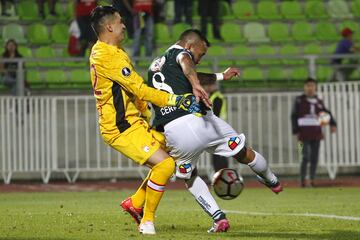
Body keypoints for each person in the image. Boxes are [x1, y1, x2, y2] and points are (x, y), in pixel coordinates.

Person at [144, 29, 282, 233]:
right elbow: (187, 63)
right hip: (202, 121)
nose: (199, 59)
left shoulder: (156, 65)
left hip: (175, 131)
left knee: (189, 177)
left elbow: (189, 71)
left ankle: (219, 219)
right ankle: (272, 180)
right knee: (243, 152)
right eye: (201, 54)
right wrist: (196, 84)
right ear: (190, 46)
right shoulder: (181, 54)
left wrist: (220, 76)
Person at [89, 6, 205, 235]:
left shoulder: (117, 51)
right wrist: (174, 100)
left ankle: (135, 203)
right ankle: (147, 221)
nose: (124, 25)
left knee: (172, 154)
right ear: (109, 26)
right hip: (120, 127)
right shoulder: (104, 55)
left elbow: (132, 89)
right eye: (120, 21)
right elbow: (140, 89)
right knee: (165, 164)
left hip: (133, 123)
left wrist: (145, 113)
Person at [291, 78, 337, 188]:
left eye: (312, 86)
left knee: (314, 157)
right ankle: (302, 180)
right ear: (304, 87)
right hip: (302, 135)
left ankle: (312, 179)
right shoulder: (299, 100)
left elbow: (326, 113)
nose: (310, 88)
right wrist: (295, 129)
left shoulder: (319, 101)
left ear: (315, 87)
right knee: (304, 156)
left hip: (316, 134)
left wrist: (332, 124)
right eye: (308, 85)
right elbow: (294, 115)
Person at [201, 78, 229, 172]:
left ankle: (222, 175)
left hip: (218, 129)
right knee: (217, 156)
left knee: (219, 156)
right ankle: (221, 175)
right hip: (215, 129)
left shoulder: (217, 98)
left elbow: (214, 115)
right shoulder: (212, 96)